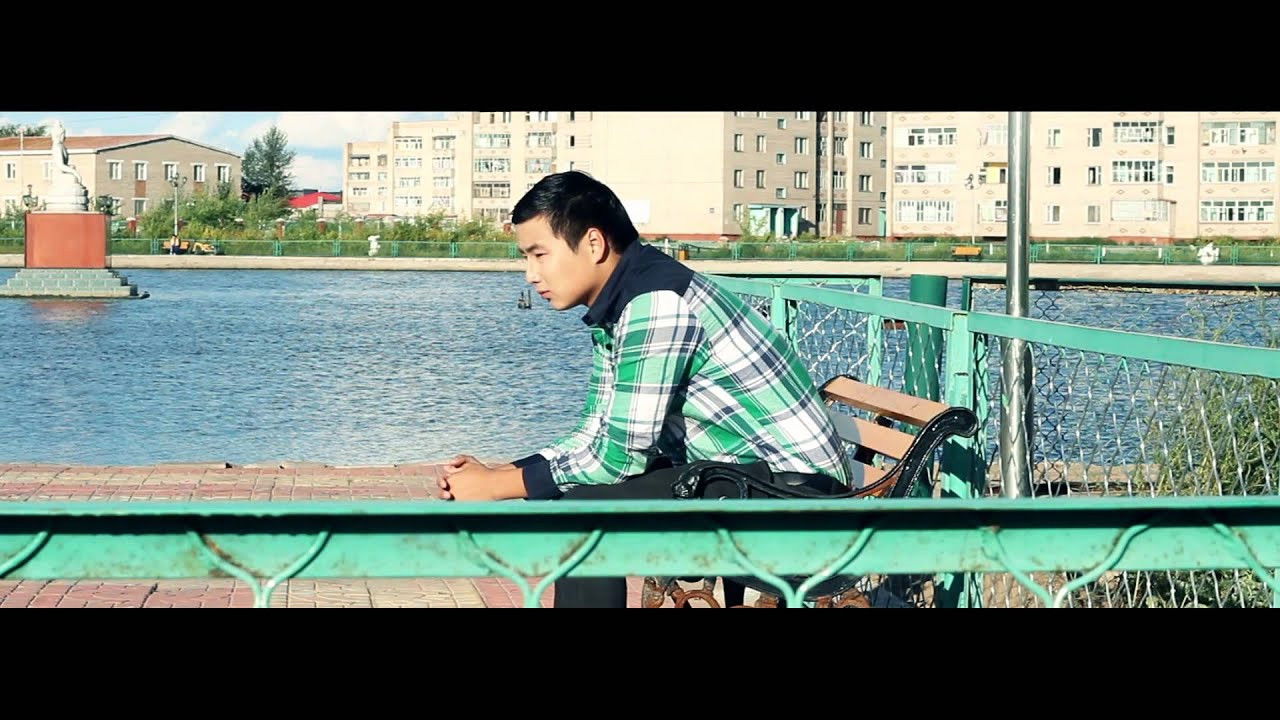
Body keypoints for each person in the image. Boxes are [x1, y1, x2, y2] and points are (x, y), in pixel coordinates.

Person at [439, 171, 853, 608]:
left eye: (539, 255)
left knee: (584, 514)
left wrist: (499, 486)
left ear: (593, 244)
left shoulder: (658, 305)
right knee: (571, 501)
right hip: (748, 481)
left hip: (805, 506)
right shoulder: (626, 302)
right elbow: (595, 433)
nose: (530, 274)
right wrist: (502, 472)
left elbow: (618, 458)